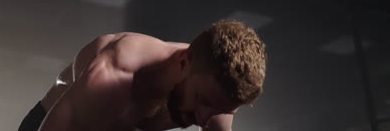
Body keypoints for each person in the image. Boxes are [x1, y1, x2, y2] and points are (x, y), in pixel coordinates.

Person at [18, 20, 267, 131]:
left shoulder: (218, 95)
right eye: (203, 101)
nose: (203, 119)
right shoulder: (116, 74)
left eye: (221, 111)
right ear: (183, 61)